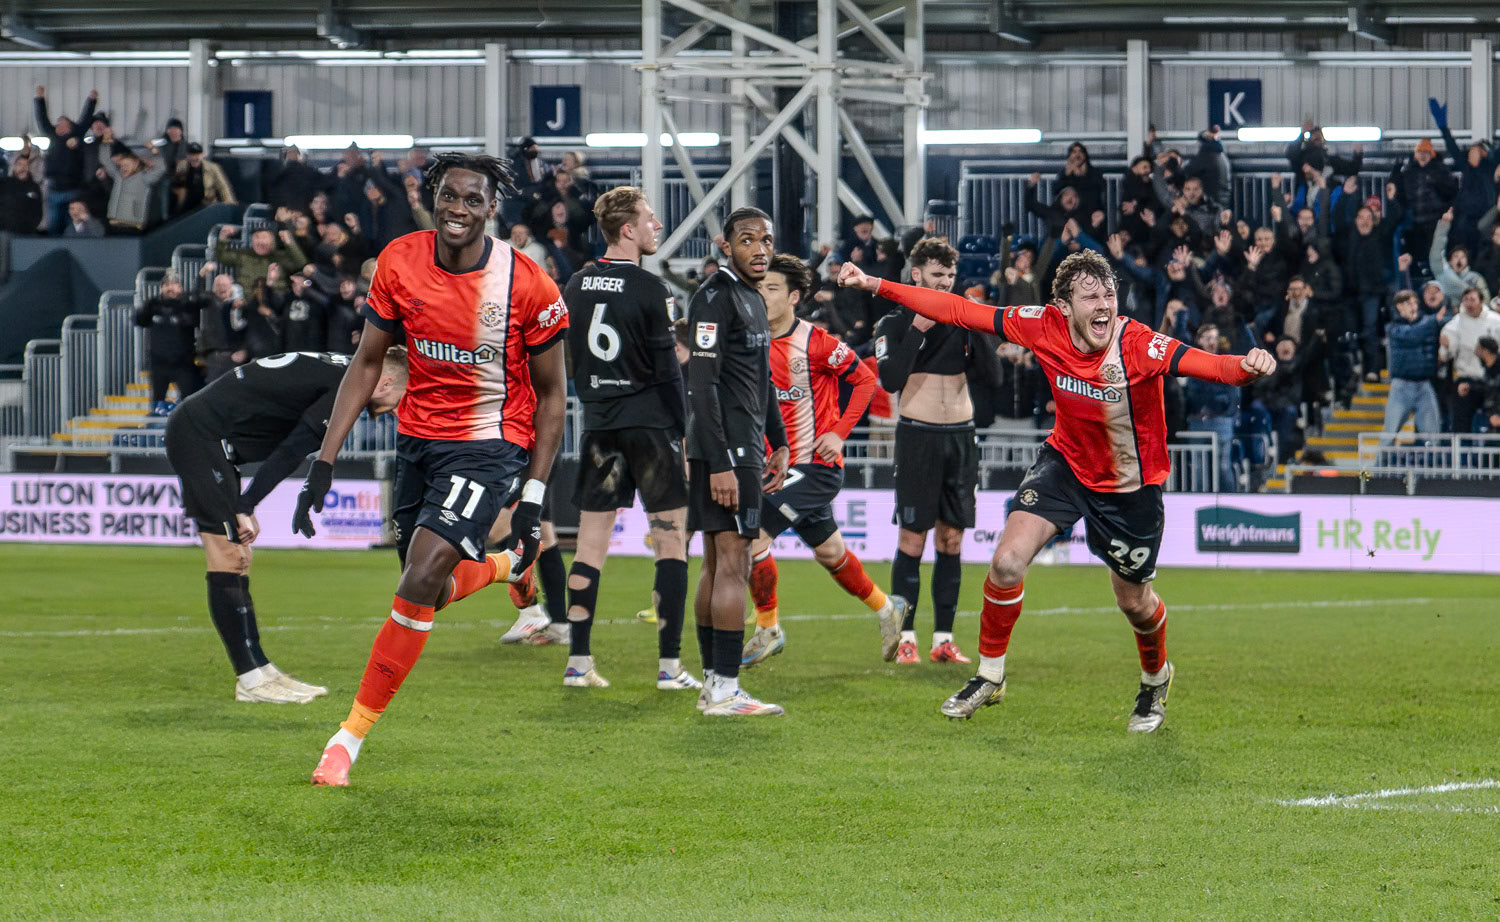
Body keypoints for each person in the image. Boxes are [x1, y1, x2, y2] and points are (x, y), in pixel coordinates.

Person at [837, 250, 1275, 732]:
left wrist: (1246, 364)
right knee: (1005, 563)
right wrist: (875, 284)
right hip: (1065, 464)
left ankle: (1155, 679)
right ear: (1063, 306)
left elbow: (1207, 365)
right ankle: (990, 674)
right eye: (1091, 296)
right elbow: (955, 309)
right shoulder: (1040, 325)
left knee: (1135, 602)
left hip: (1129, 488)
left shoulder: (1137, 344)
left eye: (1109, 293)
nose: (1104, 304)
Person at [298, 153, 568, 786]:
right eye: (449, 196)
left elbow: (554, 396)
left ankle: (348, 738)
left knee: (419, 578)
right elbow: (367, 362)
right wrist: (325, 459)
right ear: (431, 197)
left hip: (491, 442)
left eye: (473, 200)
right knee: (429, 590)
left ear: (491, 209)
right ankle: (507, 566)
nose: (459, 209)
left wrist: (531, 494)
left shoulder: (528, 285)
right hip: (417, 440)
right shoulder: (398, 261)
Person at [165, 348, 407, 703]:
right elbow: (293, 450)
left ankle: (261, 670)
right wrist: (246, 503)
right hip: (199, 436)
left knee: (240, 558)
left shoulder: (344, 371)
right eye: (403, 397)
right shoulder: (347, 386)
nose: (401, 410)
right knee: (228, 555)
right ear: (385, 383)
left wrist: (246, 502)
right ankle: (250, 679)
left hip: (214, 441)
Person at [551, 185, 699, 691]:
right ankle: (670, 668)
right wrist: (681, 437)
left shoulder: (576, 283)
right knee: (670, 544)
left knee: (589, 548)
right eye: (651, 219)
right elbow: (667, 370)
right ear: (629, 230)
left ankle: (577, 663)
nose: (657, 226)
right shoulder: (652, 289)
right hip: (651, 428)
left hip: (599, 426)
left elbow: (571, 357)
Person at [742, 253, 907, 668]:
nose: (762, 294)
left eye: (772, 288)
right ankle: (887, 608)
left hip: (814, 467)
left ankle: (768, 627)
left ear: (794, 297)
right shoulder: (751, 341)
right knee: (830, 554)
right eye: (759, 287)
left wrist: (839, 432)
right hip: (776, 467)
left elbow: (865, 380)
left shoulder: (815, 342)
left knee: (752, 537)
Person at [686, 206, 790, 716]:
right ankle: (726, 690)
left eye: (766, 240)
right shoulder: (715, 297)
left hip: (744, 446)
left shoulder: (750, 299)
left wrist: (780, 438)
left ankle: (713, 684)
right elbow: (702, 384)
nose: (759, 249)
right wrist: (722, 460)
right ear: (725, 245)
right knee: (734, 564)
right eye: (747, 240)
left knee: (714, 564)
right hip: (729, 451)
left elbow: (760, 380)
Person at [871, 238, 980, 666]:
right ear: (917, 276)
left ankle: (944, 639)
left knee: (951, 540)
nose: (946, 283)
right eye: (937, 275)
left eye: (950, 276)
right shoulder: (894, 323)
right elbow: (891, 379)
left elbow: (990, 374)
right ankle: (907, 637)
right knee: (912, 539)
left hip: (961, 437)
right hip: (918, 437)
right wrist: (918, 329)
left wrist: (976, 330)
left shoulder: (962, 319)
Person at [135, 271, 207, 414]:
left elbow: (196, 317)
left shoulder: (187, 305)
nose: (170, 288)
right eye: (167, 285)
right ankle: (155, 430)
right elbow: (140, 321)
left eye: (174, 285)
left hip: (183, 363)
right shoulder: (154, 305)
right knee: (157, 402)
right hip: (159, 363)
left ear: (180, 288)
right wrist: (146, 307)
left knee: (189, 400)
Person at [33, 84, 98, 234]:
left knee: (72, 225)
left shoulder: (76, 136)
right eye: (58, 124)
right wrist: (39, 99)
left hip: (72, 189)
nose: (60, 127)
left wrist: (91, 101)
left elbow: (86, 118)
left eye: (64, 124)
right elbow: (42, 119)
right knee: (54, 224)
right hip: (54, 188)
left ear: (71, 127)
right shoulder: (53, 137)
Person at [1384, 290, 1445, 436]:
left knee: (1433, 435)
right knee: (1389, 434)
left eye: (1414, 302)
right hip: (1401, 386)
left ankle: (1433, 459)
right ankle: (1382, 459)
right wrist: (1434, 321)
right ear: (1399, 307)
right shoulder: (1394, 327)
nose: (1412, 306)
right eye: (1407, 303)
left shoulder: (1428, 322)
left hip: (1424, 384)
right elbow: (1412, 336)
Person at [1440, 288, 1500, 432]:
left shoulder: (1496, 321)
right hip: (1467, 379)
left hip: (1495, 380)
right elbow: (1444, 355)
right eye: (1465, 299)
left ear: (1481, 301)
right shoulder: (1455, 324)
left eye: (1472, 299)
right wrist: (1447, 347)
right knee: (1460, 423)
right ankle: (1460, 452)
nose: (1469, 303)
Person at [171, 142, 238, 215]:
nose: (194, 158)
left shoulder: (213, 168)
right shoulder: (181, 166)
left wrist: (229, 202)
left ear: (202, 155)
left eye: (197, 155)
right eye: (191, 155)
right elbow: (175, 182)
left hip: (206, 205)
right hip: (187, 206)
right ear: (187, 156)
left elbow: (222, 186)